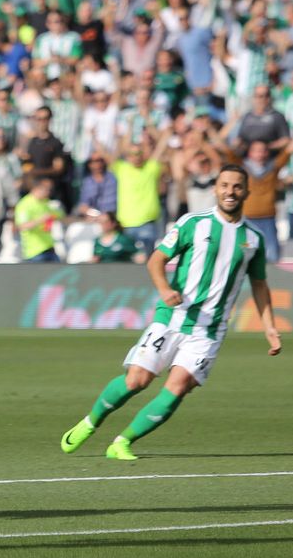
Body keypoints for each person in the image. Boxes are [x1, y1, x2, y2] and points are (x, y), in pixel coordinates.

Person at [60, 164, 281, 460]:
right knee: (136, 380)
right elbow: (156, 260)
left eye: (237, 186)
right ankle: (90, 422)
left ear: (246, 191)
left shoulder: (253, 238)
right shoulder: (193, 223)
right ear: (215, 188)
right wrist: (165, 289)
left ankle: (122, 442)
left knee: (178, 387)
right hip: (173, 317)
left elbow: (260, 285)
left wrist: (269, 327)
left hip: (210, 329)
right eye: (225, 185)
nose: (230, 191)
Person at [14, 177, 64, 262]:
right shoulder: (24, 204)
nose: (48, 192)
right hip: (34, 252)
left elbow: (60, 216)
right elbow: (22, 226)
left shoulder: (45, 202)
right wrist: (40, 220)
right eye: (46, 189)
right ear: (36, 189)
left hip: (50, 248)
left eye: (49, 189)